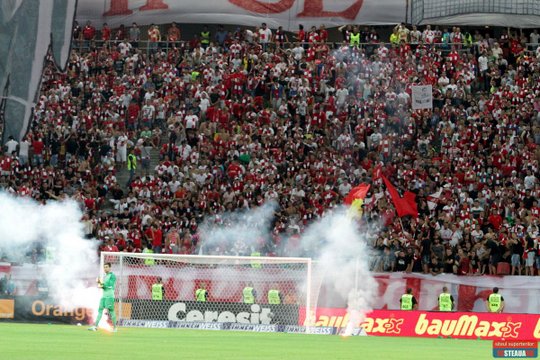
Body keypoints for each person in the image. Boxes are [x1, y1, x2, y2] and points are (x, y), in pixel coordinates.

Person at [89, 262, 117, 332]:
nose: (105, 268)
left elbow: (109, 286)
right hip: (104, 296)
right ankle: (95, 327)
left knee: (111, 311)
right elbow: (103, 287)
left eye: (107, 267)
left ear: (110, 268)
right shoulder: (106, 276)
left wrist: (100, 284)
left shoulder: (112, 276)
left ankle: (115, 328)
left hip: (110, 296)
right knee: (100, 310)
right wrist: (99, 282)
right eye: (104, 267)